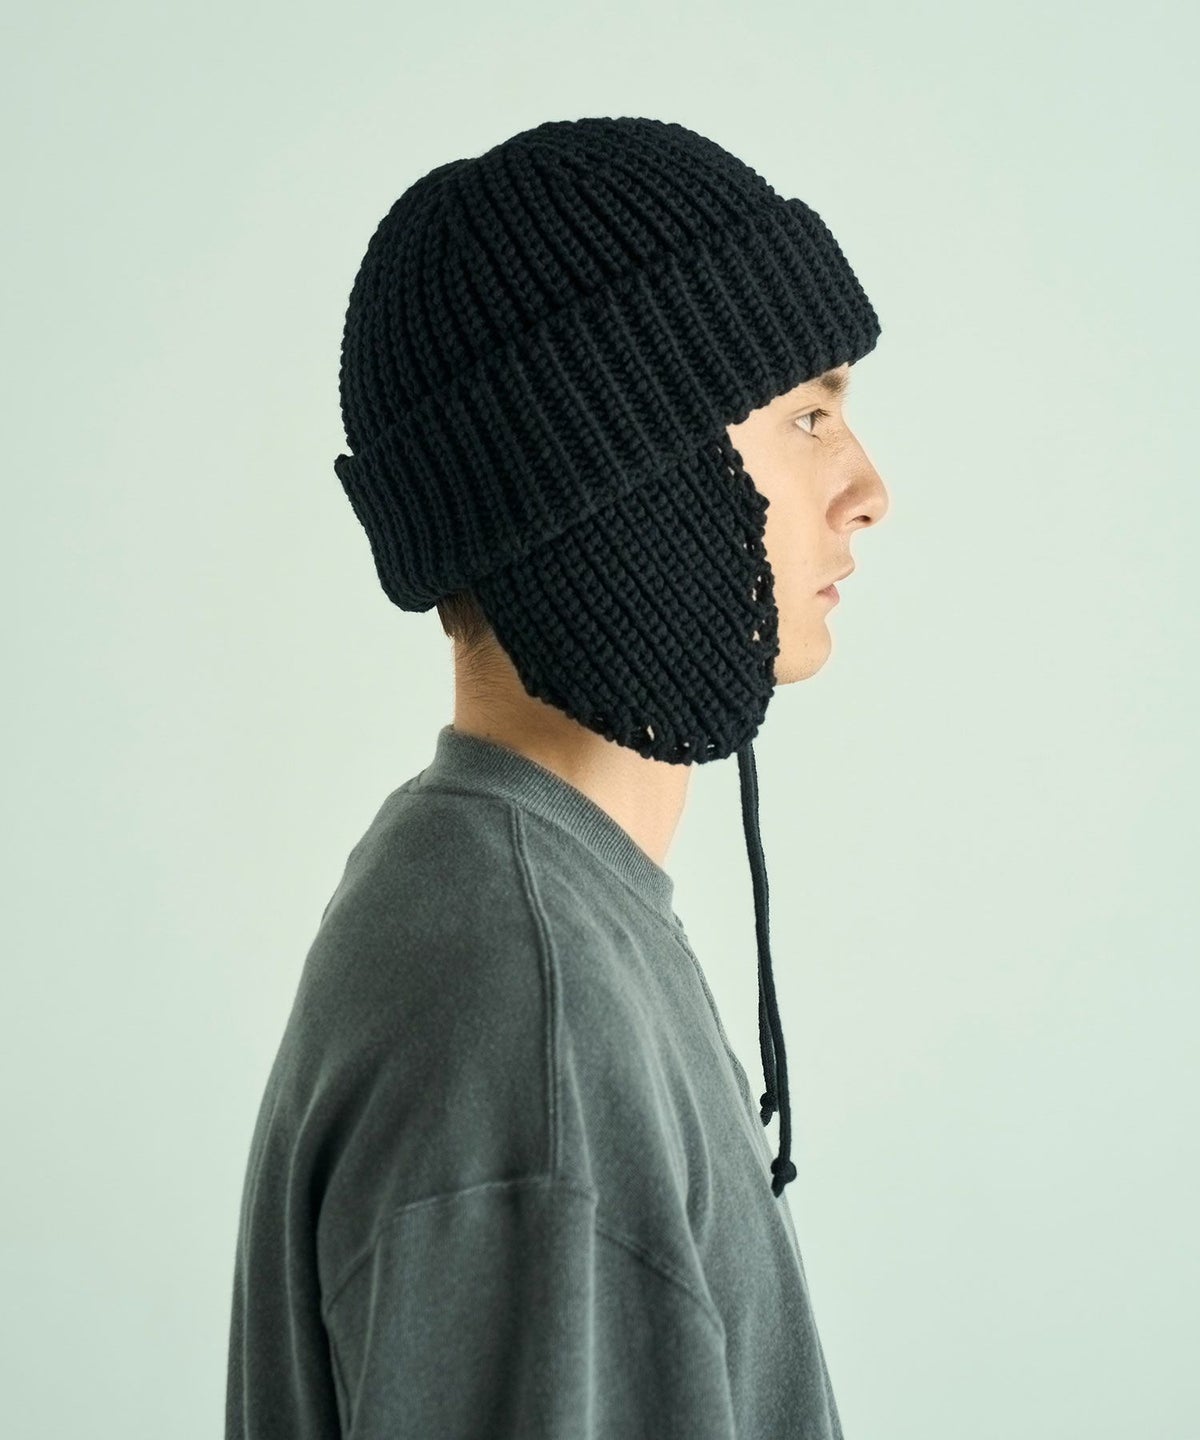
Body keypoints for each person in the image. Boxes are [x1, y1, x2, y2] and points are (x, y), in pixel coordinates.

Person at [226, 116, 889, 1439]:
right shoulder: (532, 1018)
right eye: (808, 415)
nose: (867, 488)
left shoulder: (517, 908)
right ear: (622, 472)